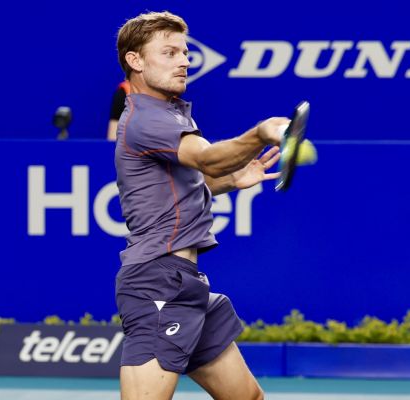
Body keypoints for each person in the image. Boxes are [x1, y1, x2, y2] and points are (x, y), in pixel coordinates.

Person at [114, 11, 291, 400]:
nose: (184, 61)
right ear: (135, 60)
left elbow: (179, 190)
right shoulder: (149, 119)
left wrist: (230, 180)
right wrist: (260, 134)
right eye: (169, 52)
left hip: (187, 285)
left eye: (185, 52)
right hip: (157, 285)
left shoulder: (166, 114)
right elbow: (207, 159)